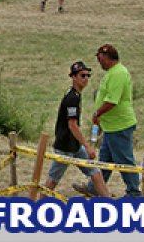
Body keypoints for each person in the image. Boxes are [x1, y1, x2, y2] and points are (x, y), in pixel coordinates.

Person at [42, 62, 110, 198]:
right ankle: (39, 203)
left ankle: (108, 201)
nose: (86, 79)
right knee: (53, 180)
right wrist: (87, 146)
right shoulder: (72, 98)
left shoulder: (76, 95)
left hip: (75, 146)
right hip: (65, 147)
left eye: (88, 75)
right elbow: (72, 125)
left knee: (95, 172)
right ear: (73, 77)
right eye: (82, 75)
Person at [91, 44, 142, 198]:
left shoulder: (118, 73)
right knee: (104, 160)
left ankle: (133, 193)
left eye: (100, 59)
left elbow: (112, 101)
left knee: (124, 160)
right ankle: (94, 187)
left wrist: (97, 113)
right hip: (111, 126)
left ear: (108, 58)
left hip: (119, 125)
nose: (99, 63)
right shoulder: (113, 73)